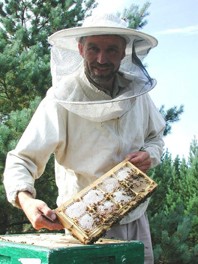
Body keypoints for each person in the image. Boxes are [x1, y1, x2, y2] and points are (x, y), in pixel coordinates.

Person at [3, 12, 165, 264]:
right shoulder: (61, 98)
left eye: (111, 50)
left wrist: (149, 155)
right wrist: (25, 199)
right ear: (80, 49)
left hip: (135, 220)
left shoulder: (138, 94)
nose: (102, 59)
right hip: (83, 228)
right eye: (94, 49)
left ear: (124, 52)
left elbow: (156, 138)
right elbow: (22, 159)